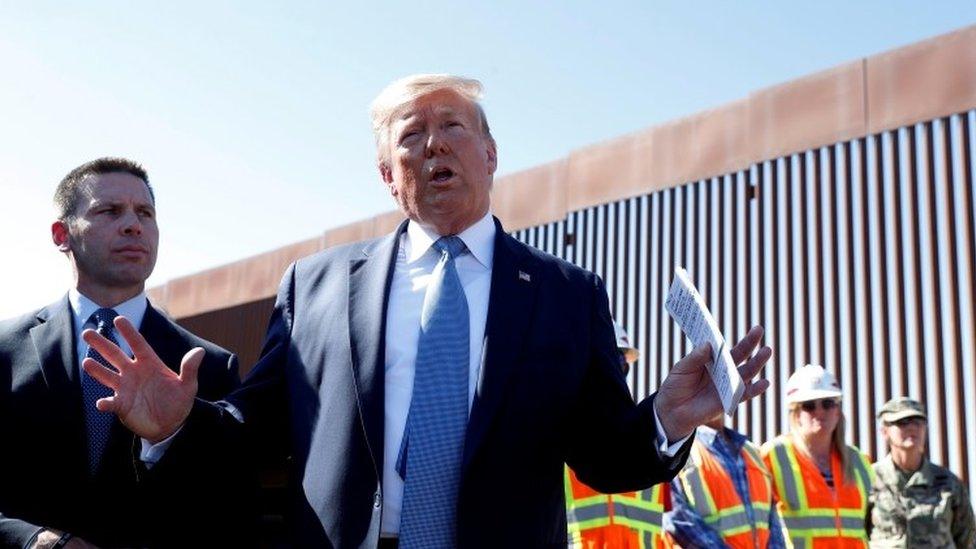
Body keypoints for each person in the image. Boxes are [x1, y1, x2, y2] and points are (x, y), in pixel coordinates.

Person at [83, 74, 772, 548]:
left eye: (454, 127)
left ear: (491, 152)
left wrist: (666, 417)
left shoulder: (567, 294)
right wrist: (180, 425)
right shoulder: (315, 286)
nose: (435, 145)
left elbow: (603, 452)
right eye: (413, 135)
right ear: (388, 174)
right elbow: (257, 432)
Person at [0, 158, 245, 549]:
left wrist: (168, 436)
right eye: (109, 211)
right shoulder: (5, 349)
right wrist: (34, 540)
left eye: (145, 213)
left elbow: (230, 510)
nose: (133, 225)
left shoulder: (208, 366)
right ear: (62, 234)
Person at [565, 322, 671, 548]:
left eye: (621, 362)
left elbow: (669, 524)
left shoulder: (648, 433)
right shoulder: (558, 424)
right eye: (610, 358)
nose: (614, 368)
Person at [761, 364, 874, 548]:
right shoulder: (773, 456)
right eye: (809, 405)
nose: (819, 411)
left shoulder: (860, 462)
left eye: (828, 403)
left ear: (837, 411)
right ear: (796, 414)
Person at [666, 413, 786, 548]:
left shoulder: (750, 450)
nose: (713, 395)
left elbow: (771, 518)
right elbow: (678, 519)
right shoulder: (678, 452)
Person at [869, 397, 975, 548]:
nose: (912, 428)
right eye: (902, 422)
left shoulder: (948, 482)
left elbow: (966, 538)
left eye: (918, 422)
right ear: (884, 431)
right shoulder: (870, 479)